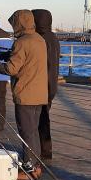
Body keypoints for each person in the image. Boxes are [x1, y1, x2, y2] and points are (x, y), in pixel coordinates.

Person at [0, 9, 48, 180]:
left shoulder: (22, 42)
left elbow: (11, 69)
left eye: (14, 23)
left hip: (26, 93)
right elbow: (26, 57)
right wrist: (5, 54)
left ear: (19, 23)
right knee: (33, 131)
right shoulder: (38, 39)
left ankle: (28, 170)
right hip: (39, 93)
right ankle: (35, 166)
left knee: (26, 132)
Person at [32, 9, 60, 160]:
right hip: (51, 84)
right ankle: (46, 150)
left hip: (40, 85)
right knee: (44, 119)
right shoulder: (53, 37)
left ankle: (38, 152)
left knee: (37, 121)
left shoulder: (40, 38)